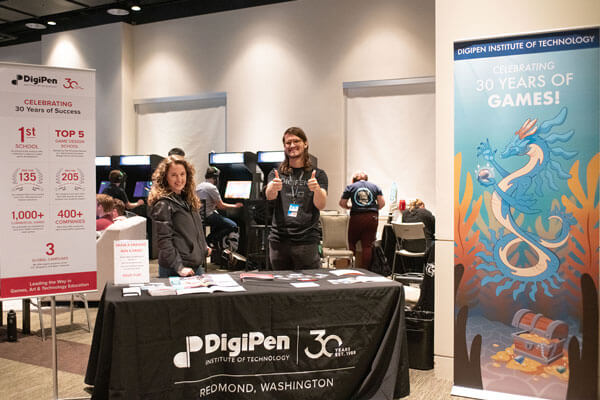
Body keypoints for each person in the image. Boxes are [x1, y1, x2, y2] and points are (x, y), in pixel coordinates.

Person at [265, 127, 328, 270]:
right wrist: (272, 188)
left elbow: (321, 205)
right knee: (281, 287)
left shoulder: (318, 174)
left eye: (296, 141)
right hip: (279, 240)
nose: (292, 145)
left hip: (306, 241)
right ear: (284, 146)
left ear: (305, 143)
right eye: (288, 142)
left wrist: (317, 189)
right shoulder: (276, 173)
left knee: (309, 289)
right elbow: (270, 195)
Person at [148, 156, 210, 277]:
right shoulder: (163, 203)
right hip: (177, 269)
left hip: (195, 265)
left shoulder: (188, 199)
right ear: (165, 177)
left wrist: (203, 247)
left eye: (182, 174)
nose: (179, 179)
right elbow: (164, 241)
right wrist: (179, 267)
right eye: (174, 175)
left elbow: (194, 230)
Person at [339, 171, 385, 269]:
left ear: (353, 180)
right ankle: (365, 270)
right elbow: (382, 204)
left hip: (356, 217)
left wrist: (349, 207)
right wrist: (373, 207)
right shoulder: (375, 186)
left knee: (351, 242)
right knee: (367, 246)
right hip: (372, 217)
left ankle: (349, 267)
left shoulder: (350, 187)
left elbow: (342, 203)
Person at [195, 166, 243, 248]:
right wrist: (236, 206)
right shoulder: (212, 188)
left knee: (219, 224)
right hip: (209, 216)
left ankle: (211, 243)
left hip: (200, 216)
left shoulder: (199, 186)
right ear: (216, 178)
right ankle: (210, 239)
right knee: (233, 226)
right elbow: (221, 206)